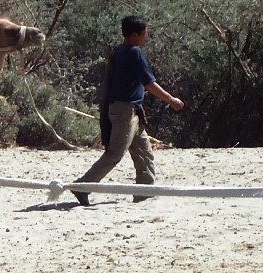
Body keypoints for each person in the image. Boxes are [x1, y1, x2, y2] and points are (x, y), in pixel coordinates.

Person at [72, 16, 184, 206]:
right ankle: (82, 186)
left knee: (144, 152)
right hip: (125, 112)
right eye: (144, 34)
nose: (145, 37)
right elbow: (149, 83)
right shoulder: (133, 52)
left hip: (129, 111)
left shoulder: (119, 51)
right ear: (134, 35)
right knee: (115, 154)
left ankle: (144, 192)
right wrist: (170, 99)